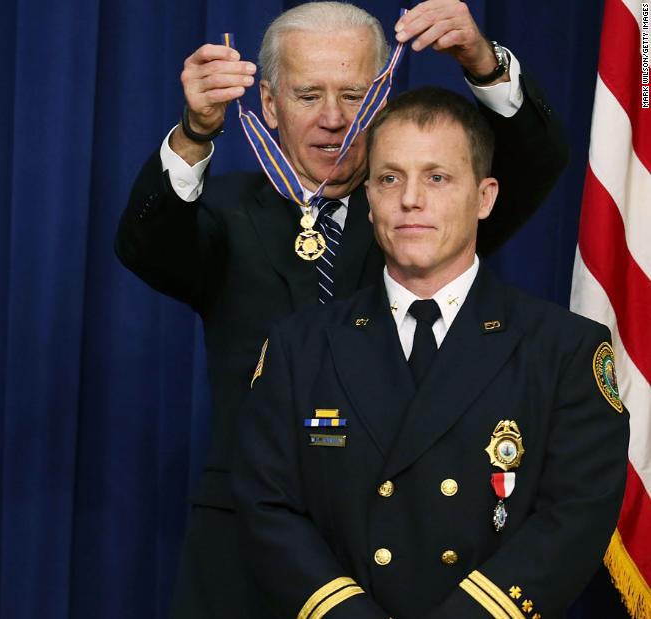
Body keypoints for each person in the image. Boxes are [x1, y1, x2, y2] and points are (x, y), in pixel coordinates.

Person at [115, 1, 569, 616]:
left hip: (400, 553)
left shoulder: (423, 215)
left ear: (381, 99)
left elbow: (539, 160)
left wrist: (483, 63)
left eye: (355, 94)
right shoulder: (221, 213)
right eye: (308, 96)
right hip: (247, 551)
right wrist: (194, 134)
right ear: (270, 106)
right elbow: (144, 247)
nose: (334, 119)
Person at [231, 86, 628, 618]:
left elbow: (574, 519)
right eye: (390, 178)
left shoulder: (565, 350)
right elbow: (266, 508)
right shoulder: (299, 346)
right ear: (368, 199)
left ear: (484, 197)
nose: (410, 199)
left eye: (437, 178)